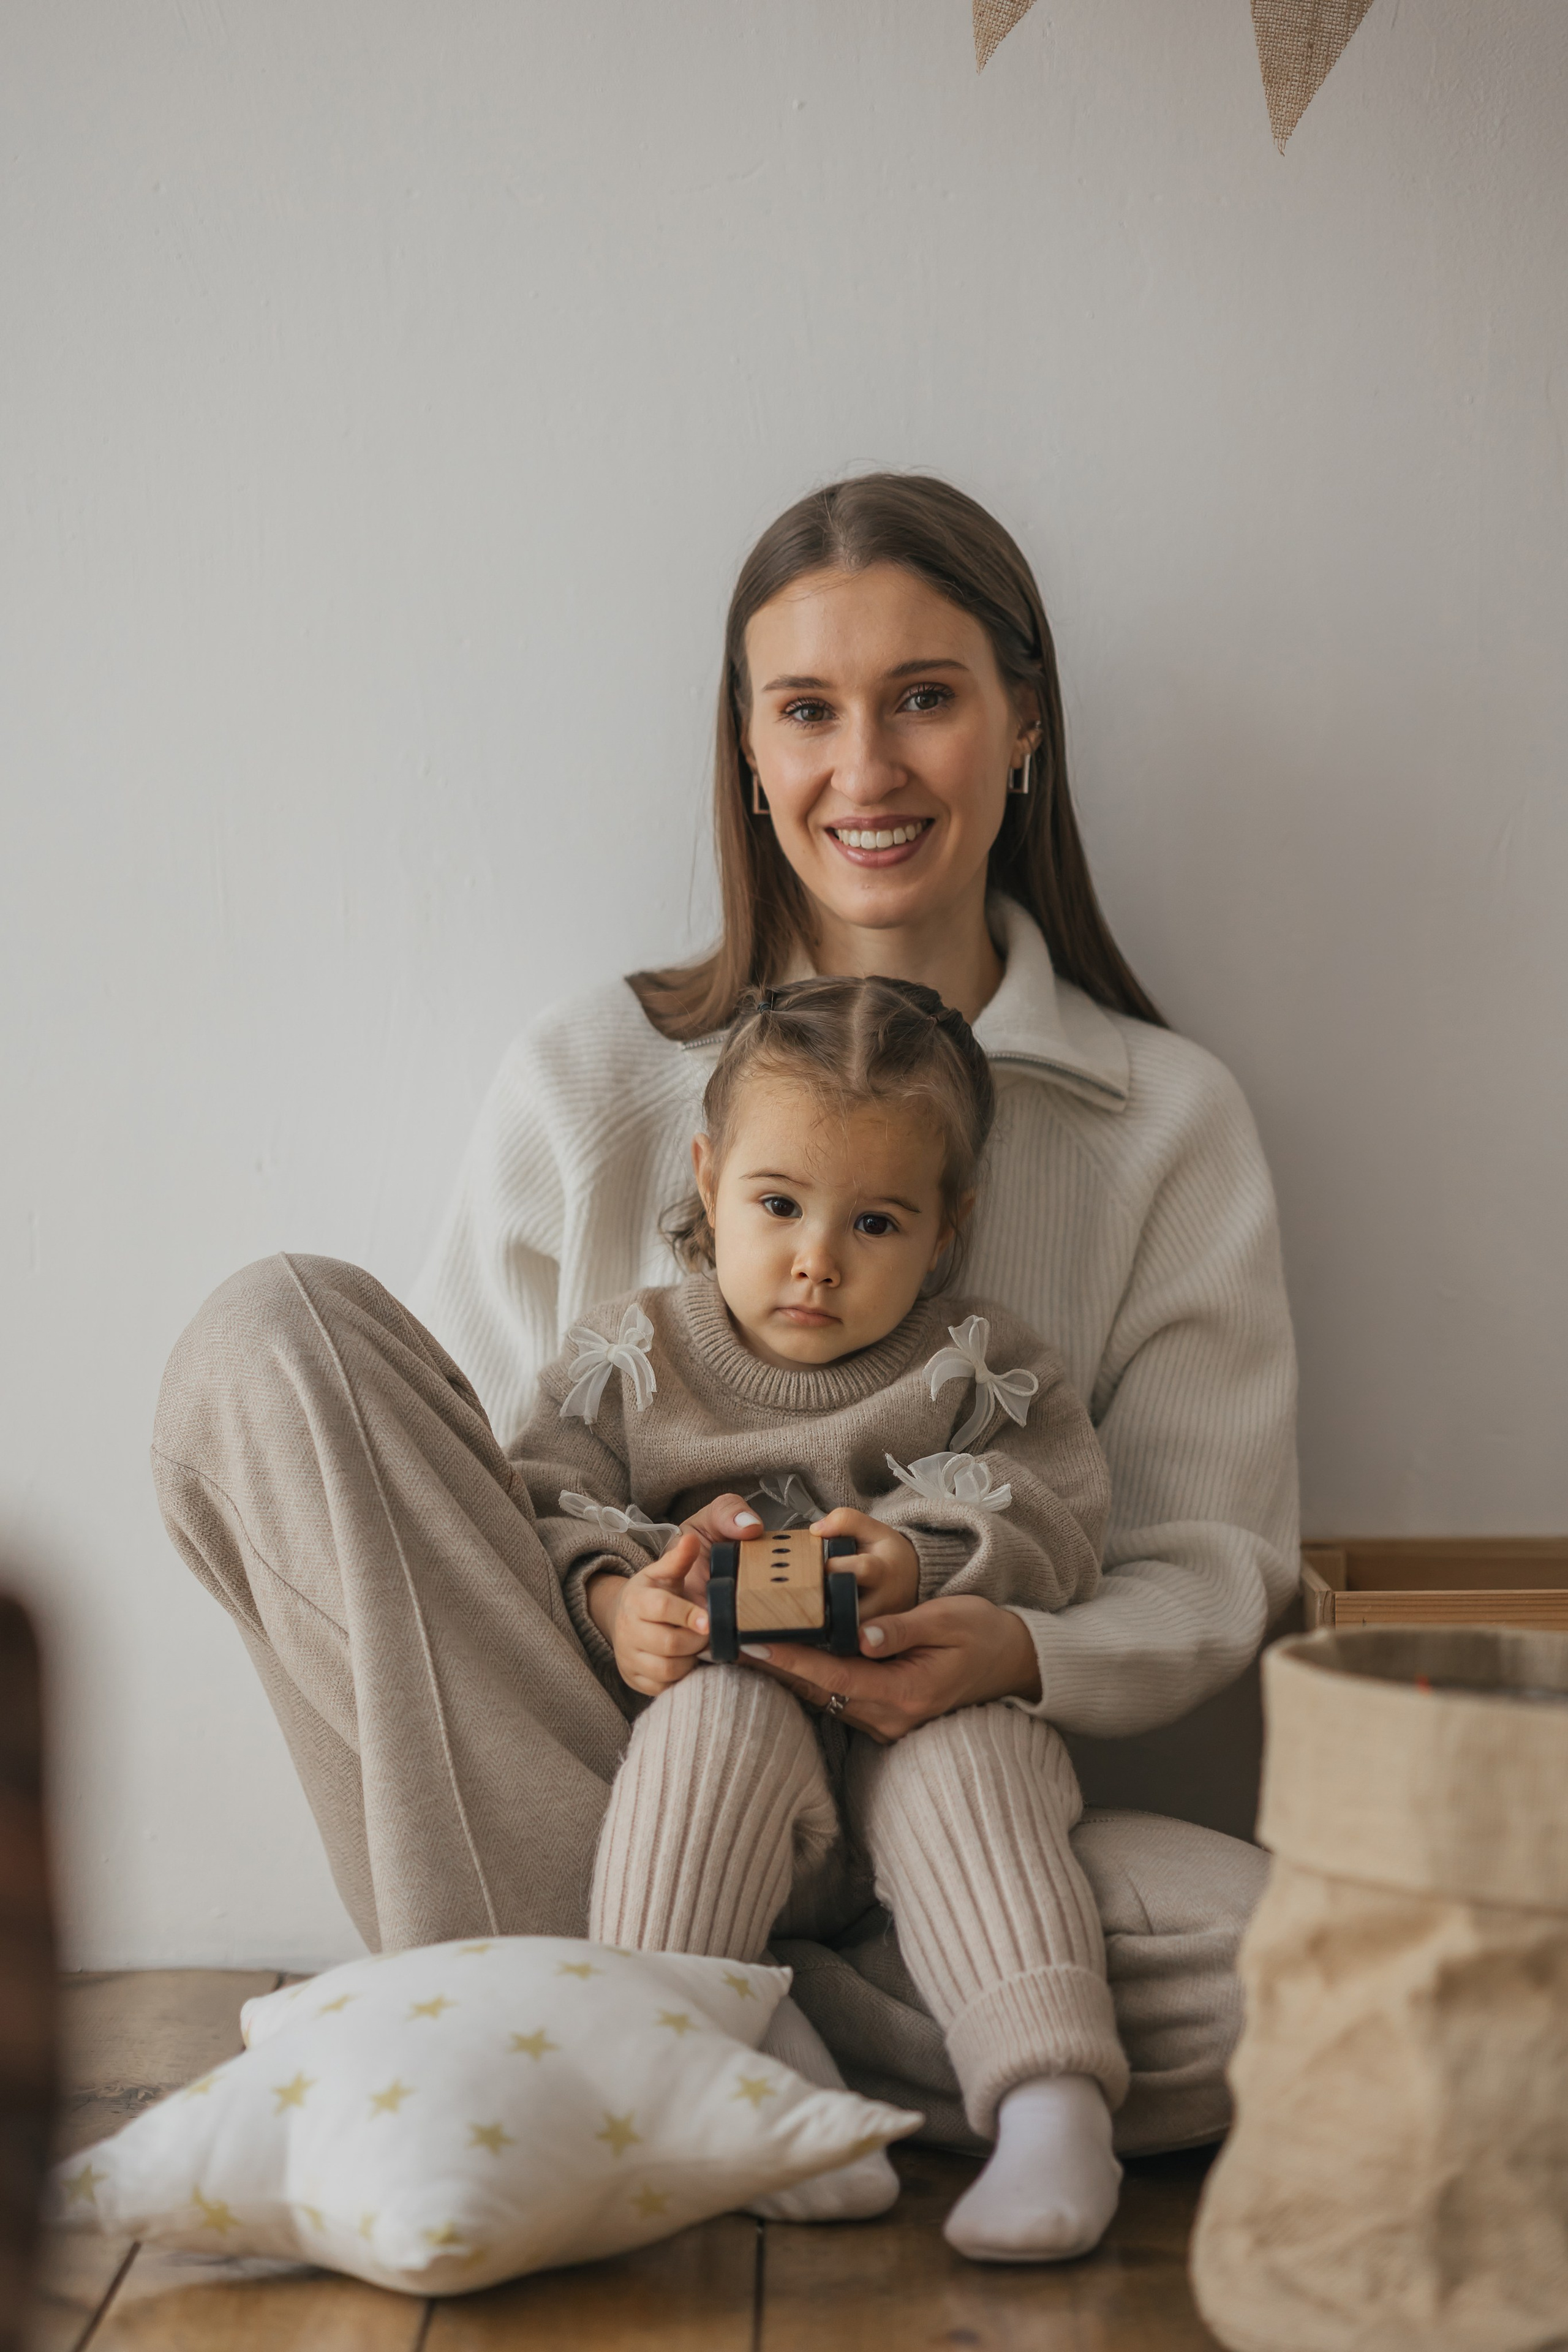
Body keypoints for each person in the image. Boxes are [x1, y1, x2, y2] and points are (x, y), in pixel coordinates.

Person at [152, 470, 1297, 2193]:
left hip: (964, 1804)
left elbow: (1216, 1563)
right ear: (750, 757)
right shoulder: (589, 1074)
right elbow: (458, 1538)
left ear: (1023, 729)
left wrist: (1009, 1649)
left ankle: (643, 2043)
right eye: (808, 711)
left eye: (926, 698)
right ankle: (708, 2015)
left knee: (1328, 1969)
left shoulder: (1169, 1120)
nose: (868, 767)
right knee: (268, 1338)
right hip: (614, 1790)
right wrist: (622, 1611)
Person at [515, 973, 1122, 2259]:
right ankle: (694, 2067)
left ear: (947, 1232)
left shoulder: (975, 1366)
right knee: (709, 1718)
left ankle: (1049, 2103)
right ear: (707, 1172)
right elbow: (533, 1508)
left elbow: (1064, 1522)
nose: (815, 1260)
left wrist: (922, 1558)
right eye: (778, 1205)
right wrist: (620, 1602)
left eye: (876, 1224)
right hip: (734, 1791)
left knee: (974, 1745)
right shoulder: (629, 1358)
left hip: (917, 1760)